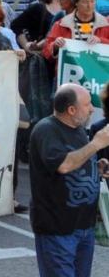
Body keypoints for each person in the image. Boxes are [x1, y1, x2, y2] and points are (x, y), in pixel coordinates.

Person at [29, 84, 109, 277]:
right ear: (71, 109)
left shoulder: (79, 129)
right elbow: (63, 165)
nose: (92, 109)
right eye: (88, 104)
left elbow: (78, 158)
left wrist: (95, 167)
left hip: (83, 227)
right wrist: (97, 144)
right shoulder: (46, 130)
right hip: (57, 229)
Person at [43, 0, 109, 66]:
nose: (89, 6)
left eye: (92, 1)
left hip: (98, 74)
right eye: (85, 2)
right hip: (69, 74)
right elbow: (46, 52)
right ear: (76, 2)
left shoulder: (106, 24)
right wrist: (55, 45)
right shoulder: (62, 24)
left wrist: (101, 41)